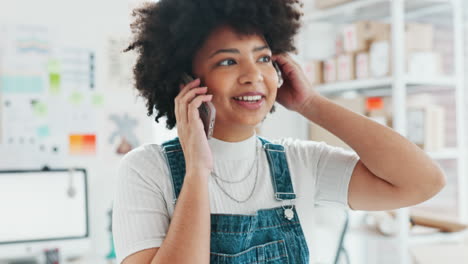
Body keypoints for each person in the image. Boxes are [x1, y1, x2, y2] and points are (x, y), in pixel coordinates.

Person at [112, 0, 446, 263]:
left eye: (263, 59)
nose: (253, 75)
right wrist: (197, 171)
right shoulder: (146, 170)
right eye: (228, 62)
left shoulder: (299, 161)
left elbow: (423, 181)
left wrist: (311, 104)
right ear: (185, 81)